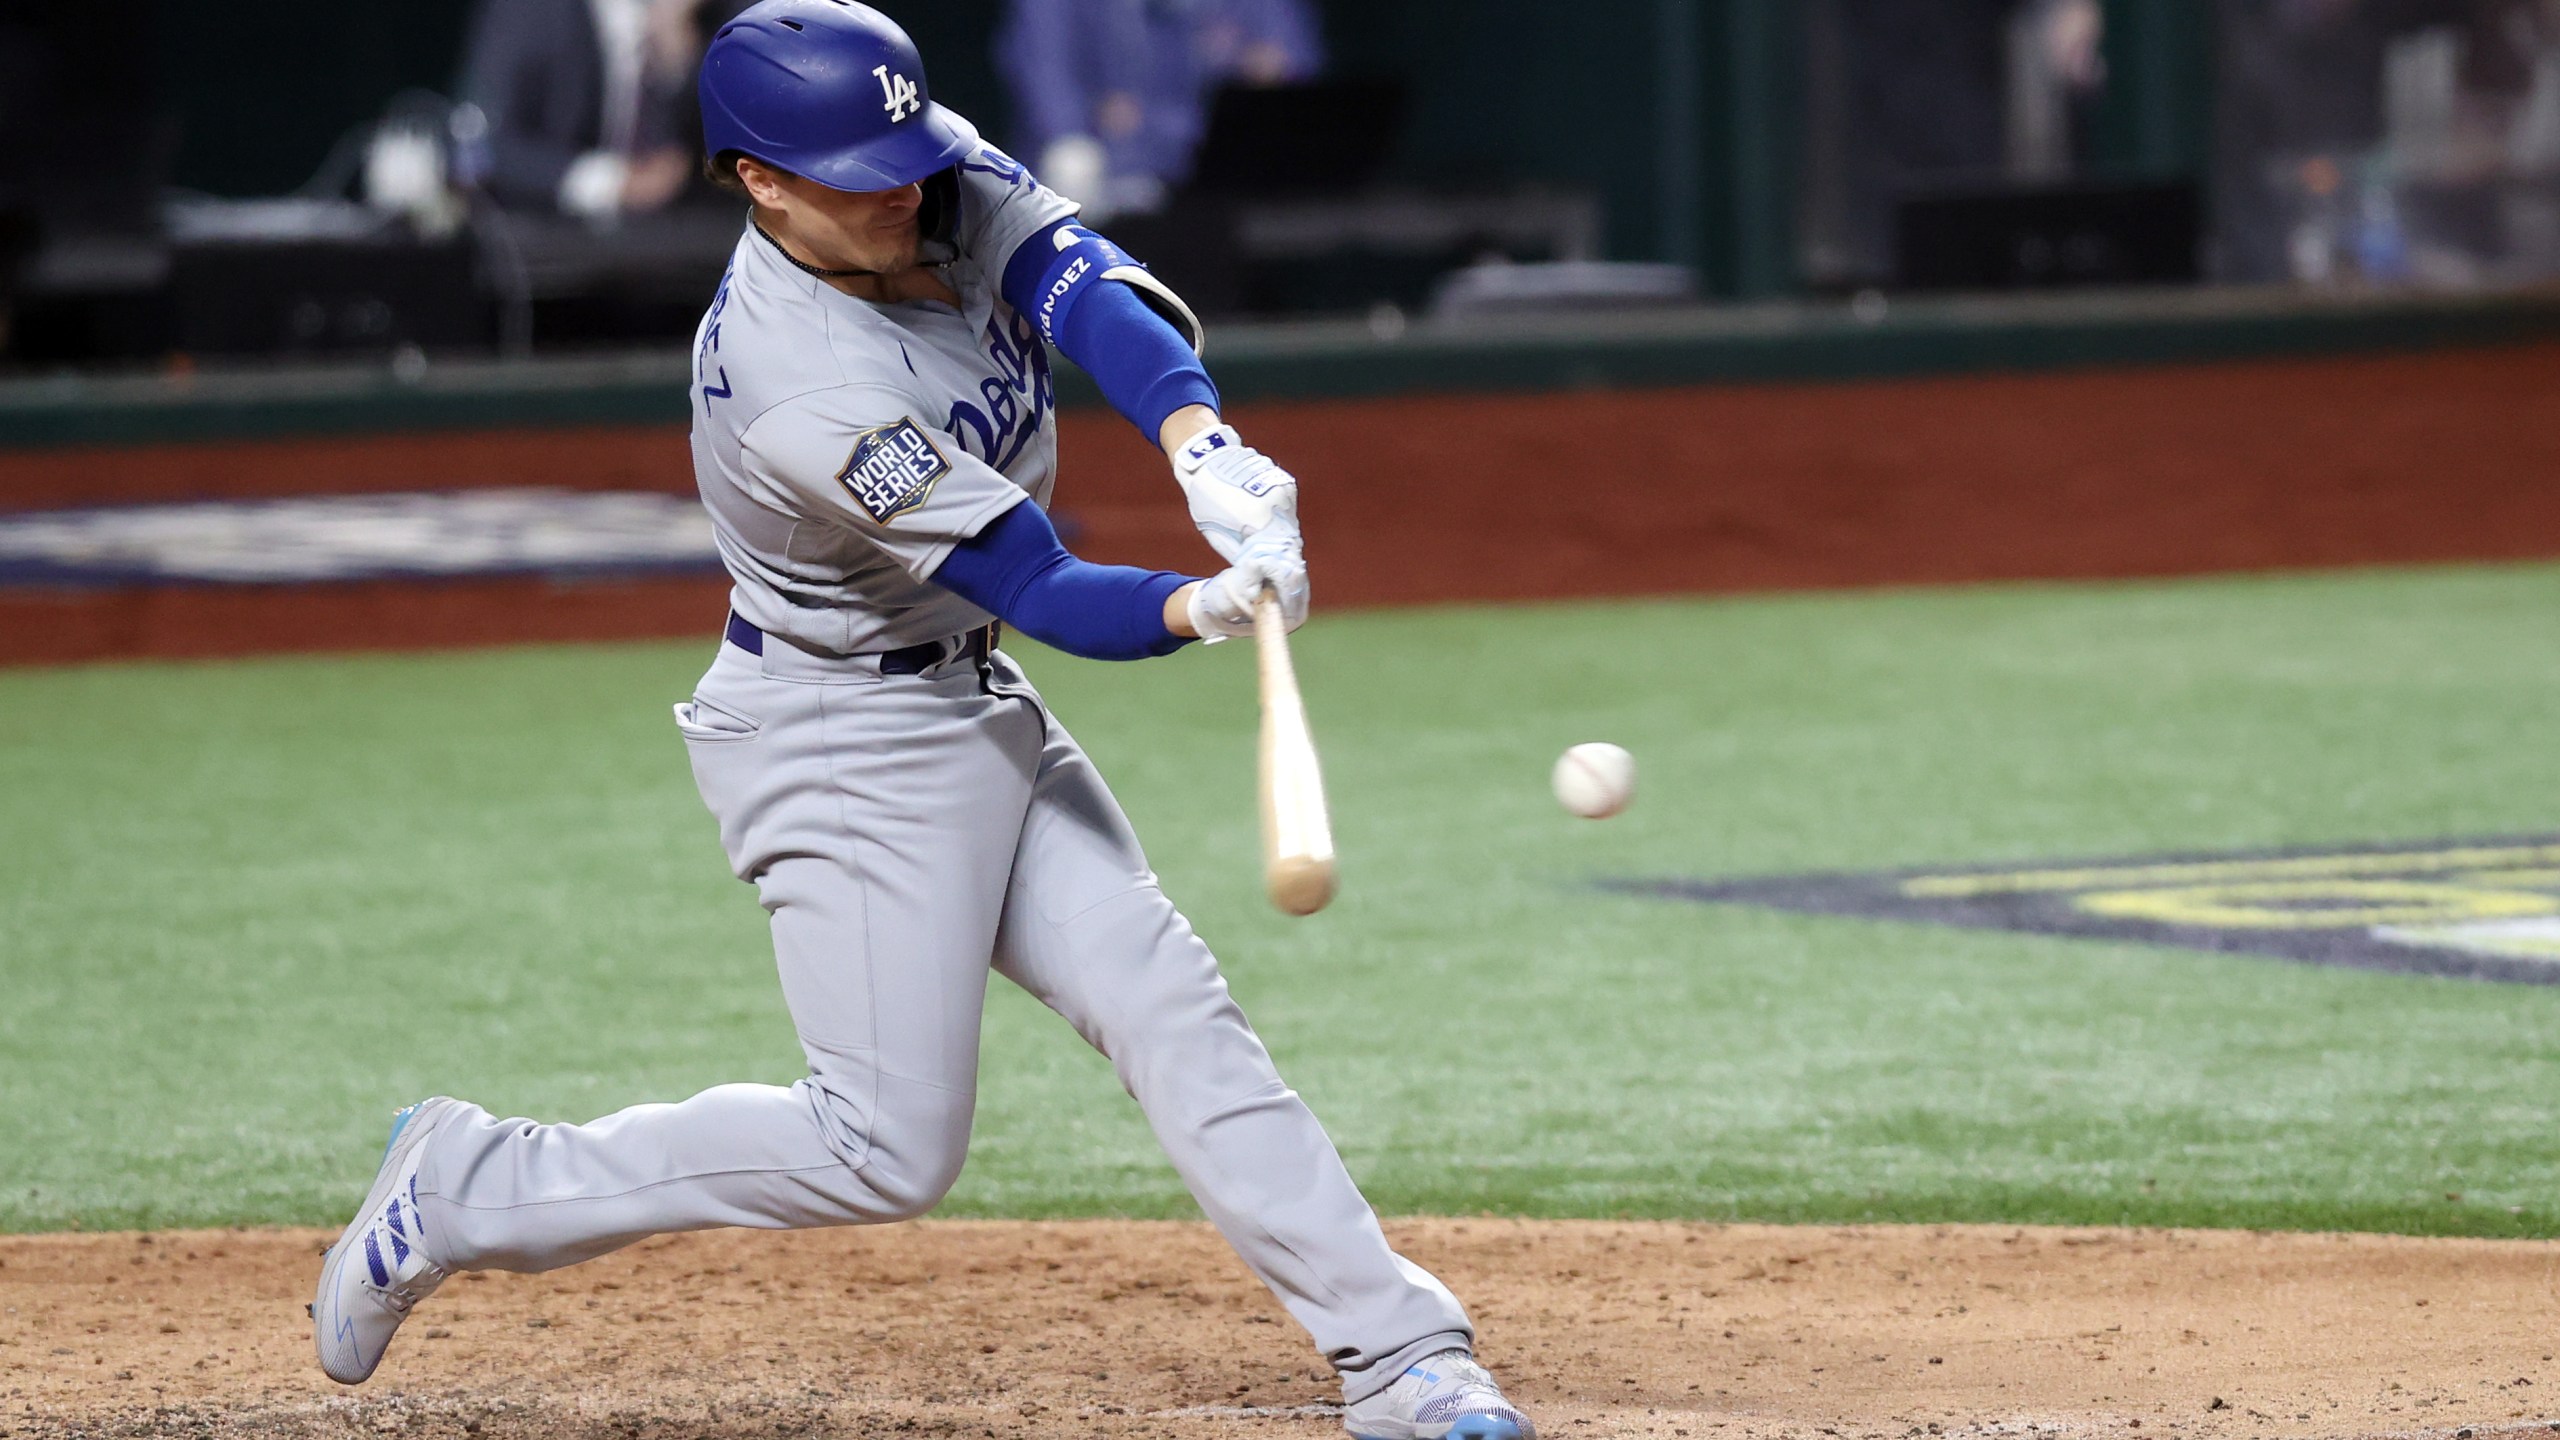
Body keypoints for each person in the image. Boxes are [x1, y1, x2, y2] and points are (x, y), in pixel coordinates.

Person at [309, 5, 1535, 1440]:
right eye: (858, 174)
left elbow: (1073, 278)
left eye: (907, 155)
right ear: (759, 181)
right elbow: (1040, 580)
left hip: (969, 693)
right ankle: (462, 1186)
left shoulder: (903, 170)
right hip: (838, 742)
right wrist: (1208, 605)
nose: (904, 190)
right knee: (882, 1149)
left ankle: (1399, 1355)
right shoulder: (799, 383)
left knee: (1171, 1007)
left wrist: (1202, 438)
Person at [995, 0, 1323, 218]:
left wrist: (1150, 123)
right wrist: (1093, 121)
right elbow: (1049, 88)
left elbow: (1293, 63)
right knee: (1071, 162)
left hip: (1220, 170)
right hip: (1113, 175)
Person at [453, 0, 735, 221]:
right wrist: (612, 184)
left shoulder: (718, 16)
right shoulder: (532, 11)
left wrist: (676, 50)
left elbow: (714, 157)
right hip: (554, 246)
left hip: (674, 251)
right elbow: (486, 146)